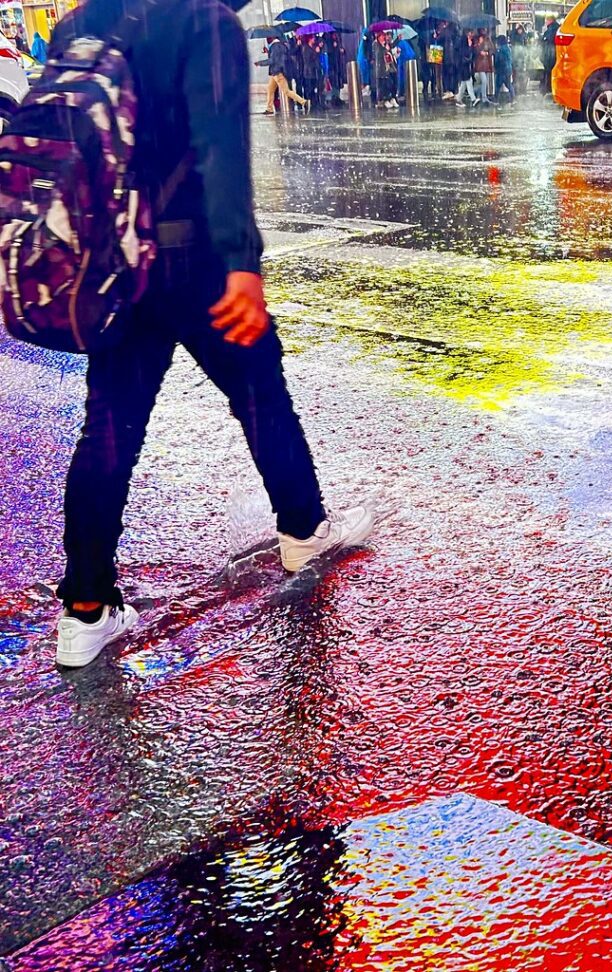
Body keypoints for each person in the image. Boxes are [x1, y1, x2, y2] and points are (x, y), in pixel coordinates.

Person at [48, 0, 374, 668]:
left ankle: (84, 610)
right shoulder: (205, 24)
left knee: (108, 429)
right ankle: (303, 531)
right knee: (260, 395)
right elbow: (220, 150)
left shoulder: (76, 27)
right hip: (196, 261)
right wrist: (241, 264)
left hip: (114, 265)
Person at [264, 35, 309, 114]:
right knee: (270, 90)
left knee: (286, 91)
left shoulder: (276, 46)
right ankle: (269, 108)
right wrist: (268, 52)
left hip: (277, 72)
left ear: (272, 38)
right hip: (274, 72)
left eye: (268, 38)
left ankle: (303, 102)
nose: (267, 39)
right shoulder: (277, 46)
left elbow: (273, 60)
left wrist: (260, 63)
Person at [372, 31, 398, 109]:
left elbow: (390, 49)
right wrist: (385, 49)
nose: (385, 37)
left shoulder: (386, 44)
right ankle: (383, 100)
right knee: (382, 85)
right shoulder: (376, 44)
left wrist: (397, 41)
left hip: (388, 67)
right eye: (383, 36)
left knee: (391, 83)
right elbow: (378, 55)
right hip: (380, 68)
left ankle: (391, 98)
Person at [454, 28, 477, 107]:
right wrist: (470, 47)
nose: (473, 34)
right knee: (468, 81)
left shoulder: (471, 41)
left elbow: (473, 54)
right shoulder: (462, 41)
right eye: (471, 33)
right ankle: (473, 99)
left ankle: (458, 99)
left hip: (467, 65)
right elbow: (464, 53)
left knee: (464, 83)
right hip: (463, 65)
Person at [474, 29, 494, 105]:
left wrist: (487, 53)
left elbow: (492, 49)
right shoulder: (476, 41)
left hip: (486, 63)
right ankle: (483, 97)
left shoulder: (488, 40)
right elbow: (475, 51)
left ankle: (477, 95)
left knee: (481, 82)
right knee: (484, 81)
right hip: (479, 64)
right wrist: (479, 46)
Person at [300, 34, 321, 110]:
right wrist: (316, 53)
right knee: (309, 88)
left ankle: (314, 102)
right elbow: (308, 60)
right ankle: (308, 102)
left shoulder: (314, 47)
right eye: (313, 38)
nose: (314, 39)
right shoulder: (305, 48)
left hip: (314, 71)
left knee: (314, 87)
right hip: (309, 71)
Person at [495, 35, 515, 107]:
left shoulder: (500, 49)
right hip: (508, 69)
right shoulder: (508, 48)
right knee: (509, 84)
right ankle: (513, 98)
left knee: (498, 85)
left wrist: (496, 67)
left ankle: (496, 100)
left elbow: (498, 60)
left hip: (501, 70)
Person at [540, 16, 558, 96]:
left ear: (550, 20)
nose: (545, 22)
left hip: (550, 57)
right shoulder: (555, 29)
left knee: (549, 73)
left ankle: (548, 90)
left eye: (546, 20)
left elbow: (547, 43)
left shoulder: (551, 30)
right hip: (552, 56)